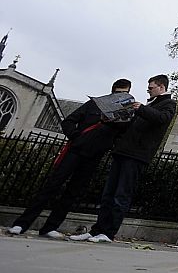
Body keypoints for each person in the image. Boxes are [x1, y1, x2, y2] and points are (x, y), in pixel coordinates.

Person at [10, 80, 134, 239]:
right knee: (51, 186)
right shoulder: (94, 104)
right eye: (119, 93)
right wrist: (76, 136)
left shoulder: (124, 115)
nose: (121, 96)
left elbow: (122, 136)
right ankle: (22, 223)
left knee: (73, 193)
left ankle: (51, 227)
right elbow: (68, 121)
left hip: (94, 156)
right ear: (112, 91)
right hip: (75, 151)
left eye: (125, 94)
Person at [71, 74, 176, 243]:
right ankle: (97, 230)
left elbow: (162, 118)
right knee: (108, 194)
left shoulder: (169, 104)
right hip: (123, 151)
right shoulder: (149, 105)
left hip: (137, 155)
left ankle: (108, 233)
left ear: (161, 87)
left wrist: (140, 108)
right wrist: (111, 119)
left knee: (121, 195)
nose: (148, 90)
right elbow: (130, 125)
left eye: (151, 88)